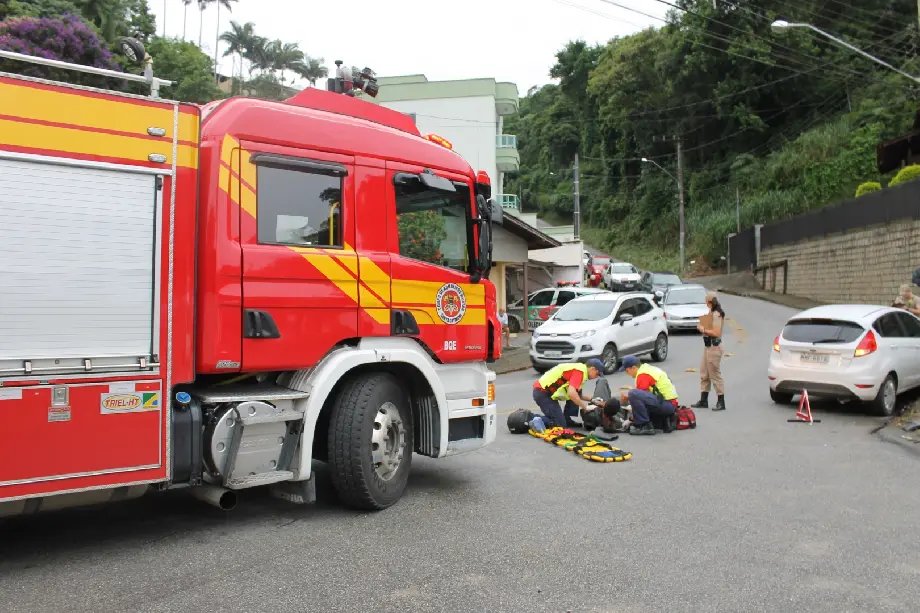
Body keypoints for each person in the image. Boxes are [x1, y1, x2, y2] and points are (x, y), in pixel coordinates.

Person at [530, 359, 605, 431]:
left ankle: (566, 419)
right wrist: (586, 407)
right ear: (592, 369)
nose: (596, 377)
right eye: (597, 374)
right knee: (560, 425)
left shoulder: (581, 370)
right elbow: (571, 393)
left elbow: (578, 395)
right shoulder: (579, 372)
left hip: (546, 392)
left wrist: (592, 400)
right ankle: (530, 417)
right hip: (542, 393)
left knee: (575, 396)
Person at [621, 355, 678, 435]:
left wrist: (632, 417)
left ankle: (644, 426)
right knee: (635, 395)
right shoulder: (647, 369)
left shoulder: (642, 375)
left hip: (667, 404)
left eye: (627, 371)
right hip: (669, 402)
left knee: (633, 394)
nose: (627, 374)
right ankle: (663, 419)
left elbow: (639, 398)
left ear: (633, 368)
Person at [692, 292, 727, 411]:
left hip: (714, 347)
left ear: (710, 302)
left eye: (706, 301)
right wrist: (702, 325)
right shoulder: (710, 313)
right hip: (708, 346)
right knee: (704, 373)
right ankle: (703, 400)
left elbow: (716, 332)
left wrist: (703, 329)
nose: (706, 303)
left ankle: (721, 401)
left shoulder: (717, 314)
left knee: (715, 375)